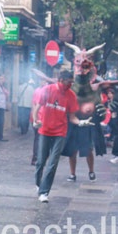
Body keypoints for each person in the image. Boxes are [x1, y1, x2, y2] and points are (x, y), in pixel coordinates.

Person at [31, 70, 92, 203]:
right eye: (68, 82)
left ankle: (44, 192)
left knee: (53, 163)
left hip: (60, 132)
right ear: (61, 80)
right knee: (41, 161)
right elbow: (38, 106)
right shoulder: (48, 90)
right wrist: (35, 120)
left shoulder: (71, 95)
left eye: (72, 82)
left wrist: (81, 122)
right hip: (45, 130)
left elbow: (72, 117)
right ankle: (38, 184)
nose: (70, 84)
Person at [30, 78, 49, 165]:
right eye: (41, 80)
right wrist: (35, 117)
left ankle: (37, 158)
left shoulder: (39, 90)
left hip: (40, 117)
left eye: (43, 80)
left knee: (38, 138)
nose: (42, 82)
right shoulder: (41, 90)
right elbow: (34, 104)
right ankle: (37, 158)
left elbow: (33, 104)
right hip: (41, 118)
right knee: (39, 138)